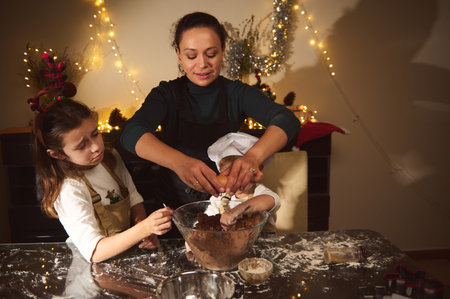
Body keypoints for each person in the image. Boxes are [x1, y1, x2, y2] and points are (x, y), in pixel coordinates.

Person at [120, 11, 301, 212]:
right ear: (178, 54)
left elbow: (286, 119)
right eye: (191, 55)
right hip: (175, 209)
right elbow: (131, 132)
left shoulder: (236, 93)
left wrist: (253, 157)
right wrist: (178, 162)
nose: (202, 64)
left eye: (211, 54)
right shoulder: (166, 94)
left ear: (223, 50)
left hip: (225, 205)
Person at [32, 98, 173, 262]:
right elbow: (94, 252)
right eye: (81, 146)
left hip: (126, 258)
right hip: (92, 270)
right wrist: (143, 228)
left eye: (95, 134)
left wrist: (145, 232)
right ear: (57, 154)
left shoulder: (109, 157)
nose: (96, 147)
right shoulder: (69, 189)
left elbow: (134, 199)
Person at [205, 132, 280, 231]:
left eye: (242, 175)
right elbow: (207, 221)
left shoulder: (259, 192)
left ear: (257, 171)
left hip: (263, 243)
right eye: (229, 177)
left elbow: (272, 200)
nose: (236, 182)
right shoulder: (219, 198)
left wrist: (235, 211)